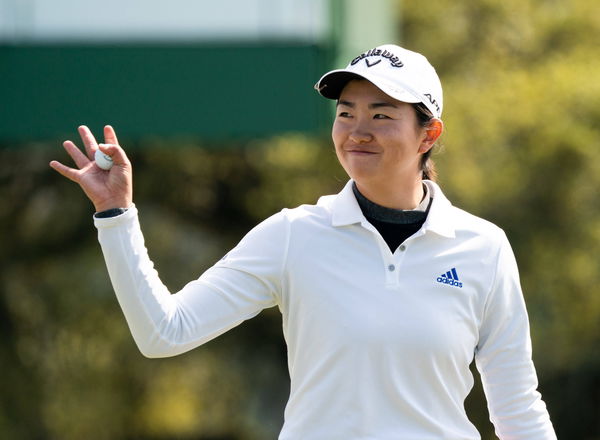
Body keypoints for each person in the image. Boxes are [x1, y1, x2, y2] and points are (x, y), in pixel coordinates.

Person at [50, 44, 557, 439]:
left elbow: (516, 409)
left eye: (381, 115)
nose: (358, 130)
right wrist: (116, 215)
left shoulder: (483, 247)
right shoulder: (293, 235)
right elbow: (164, 333)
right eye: (346, 112)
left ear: (428, 135)